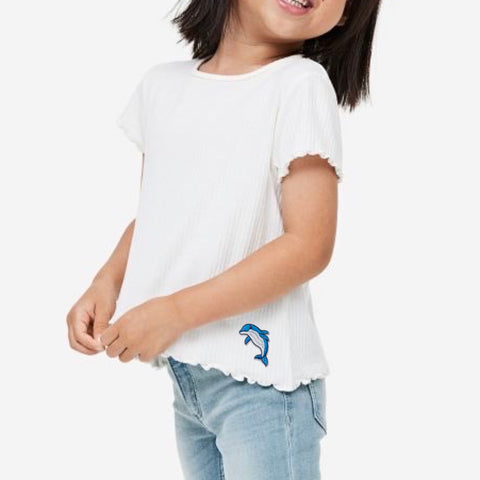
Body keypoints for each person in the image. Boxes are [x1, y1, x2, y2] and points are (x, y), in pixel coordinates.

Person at [66, 0, 382, 478]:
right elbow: (156, 216)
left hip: (264, 389)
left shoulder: (300, 85)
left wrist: (176, 312)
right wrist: (105, 282)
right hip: (187, 378)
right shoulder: (162, 86)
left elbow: (309, 246)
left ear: (347, 14)